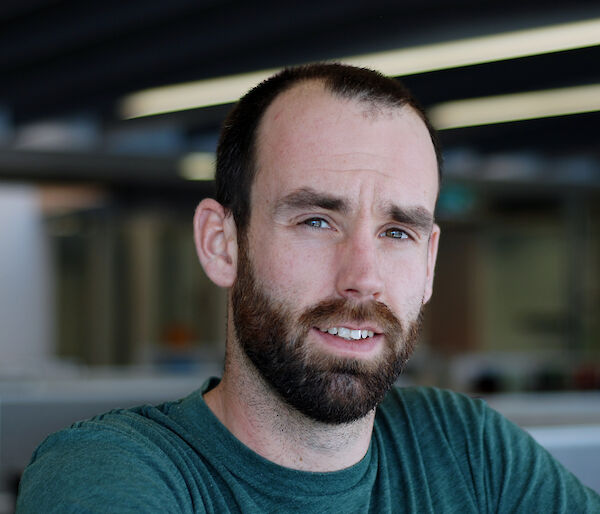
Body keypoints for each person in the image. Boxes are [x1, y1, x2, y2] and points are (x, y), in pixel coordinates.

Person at [17, 63, 599, 512]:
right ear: (222, 243)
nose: (362, 278)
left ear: (429, 264)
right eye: (316, 221)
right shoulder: (112, 472)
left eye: (398, 231)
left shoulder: (466, 450)